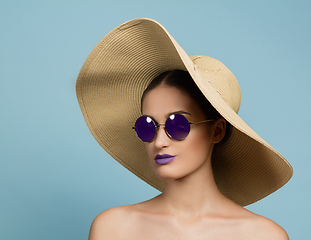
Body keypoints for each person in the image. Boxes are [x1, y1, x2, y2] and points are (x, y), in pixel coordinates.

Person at [76, 18, 293, 240]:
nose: (159, 141)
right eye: (147, 126)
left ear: (217, 131)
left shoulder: (264, 236)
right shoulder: (113, 229)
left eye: (177, 125)